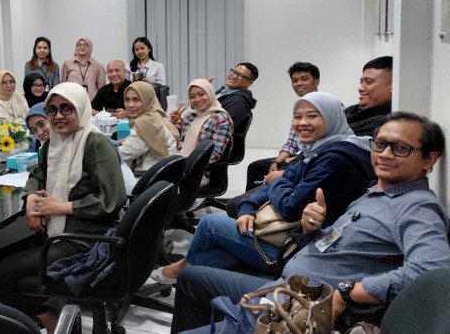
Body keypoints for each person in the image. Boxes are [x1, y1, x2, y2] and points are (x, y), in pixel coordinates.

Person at [171, 112, 450, 334]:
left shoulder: (417, 207)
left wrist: (346, 293)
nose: (385, 154)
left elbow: (431, 270)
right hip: (285, 286)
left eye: (400, 148)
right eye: (380, 144)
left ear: (429, 159)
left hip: (300, 309)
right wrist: (310, 230)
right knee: (190, 278)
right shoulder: (376, 192)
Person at [155, 91, 375, 282]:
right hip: (291, 237)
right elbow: (287, 179)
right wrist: (248, 207)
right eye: (297, 117)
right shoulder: (320, 149)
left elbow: (290, 206)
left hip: (300, 250)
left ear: (331, 117)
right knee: (207, 258)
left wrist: (279, 181)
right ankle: (186, 273)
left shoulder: (337, 157)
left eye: (312, 116)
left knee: (209, 225)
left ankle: (180, 268)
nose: (302, 123)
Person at [0, 82, 127, 334]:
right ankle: (48, 317)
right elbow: (37, 176)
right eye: (52, 109)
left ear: (81, 108)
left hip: (87, 239)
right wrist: (31, 200)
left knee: (2, 274)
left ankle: (48, 320)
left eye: (66, 108)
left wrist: (58, 207)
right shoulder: (52, 143)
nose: (58, 116)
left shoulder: (96, 143)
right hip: (58, 231)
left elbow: (112, 200)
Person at [244, 62, 320, 191]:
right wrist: (276, 161)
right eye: (295, 80)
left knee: (277, 174)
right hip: (299, 157)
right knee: (256, 167)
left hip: (313, 158)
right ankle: (254, 200)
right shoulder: (300, 106)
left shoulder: (327, 106)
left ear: (316, 82)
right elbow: (292, 144)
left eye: (304, 79)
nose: (299, 83)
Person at [118, 81, 180, 172]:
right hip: (166, 176)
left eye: (136, 100)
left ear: (147, 100)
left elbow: (121, 154)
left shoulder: (146, 123)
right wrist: (117, 142)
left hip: (151, 177)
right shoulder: (155, 115)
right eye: (127, 99)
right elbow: (138, 140)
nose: (130, 105)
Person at [170, 79, 233, 165]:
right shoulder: (190, 116)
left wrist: (187, 166)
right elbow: (170, 138)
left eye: (201, 94)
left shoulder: (221, 118)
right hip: (179, 160)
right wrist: (173, 121)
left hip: (199, 168)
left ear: (210, 94)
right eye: (192, 97)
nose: (197, 100)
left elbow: (214, 154)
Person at [344, 56, 392, 136]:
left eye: (369, 82)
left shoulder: (382, 124)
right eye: (361, 82)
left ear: (393, 86)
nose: (360, 88)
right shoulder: (352, 109)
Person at [214, 62, 259, 128]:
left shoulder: (238, 101)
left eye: (241, 75)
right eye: (234, 72)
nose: (234, 76)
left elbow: (221, 126)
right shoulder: (224, 92)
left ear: (250, 83)